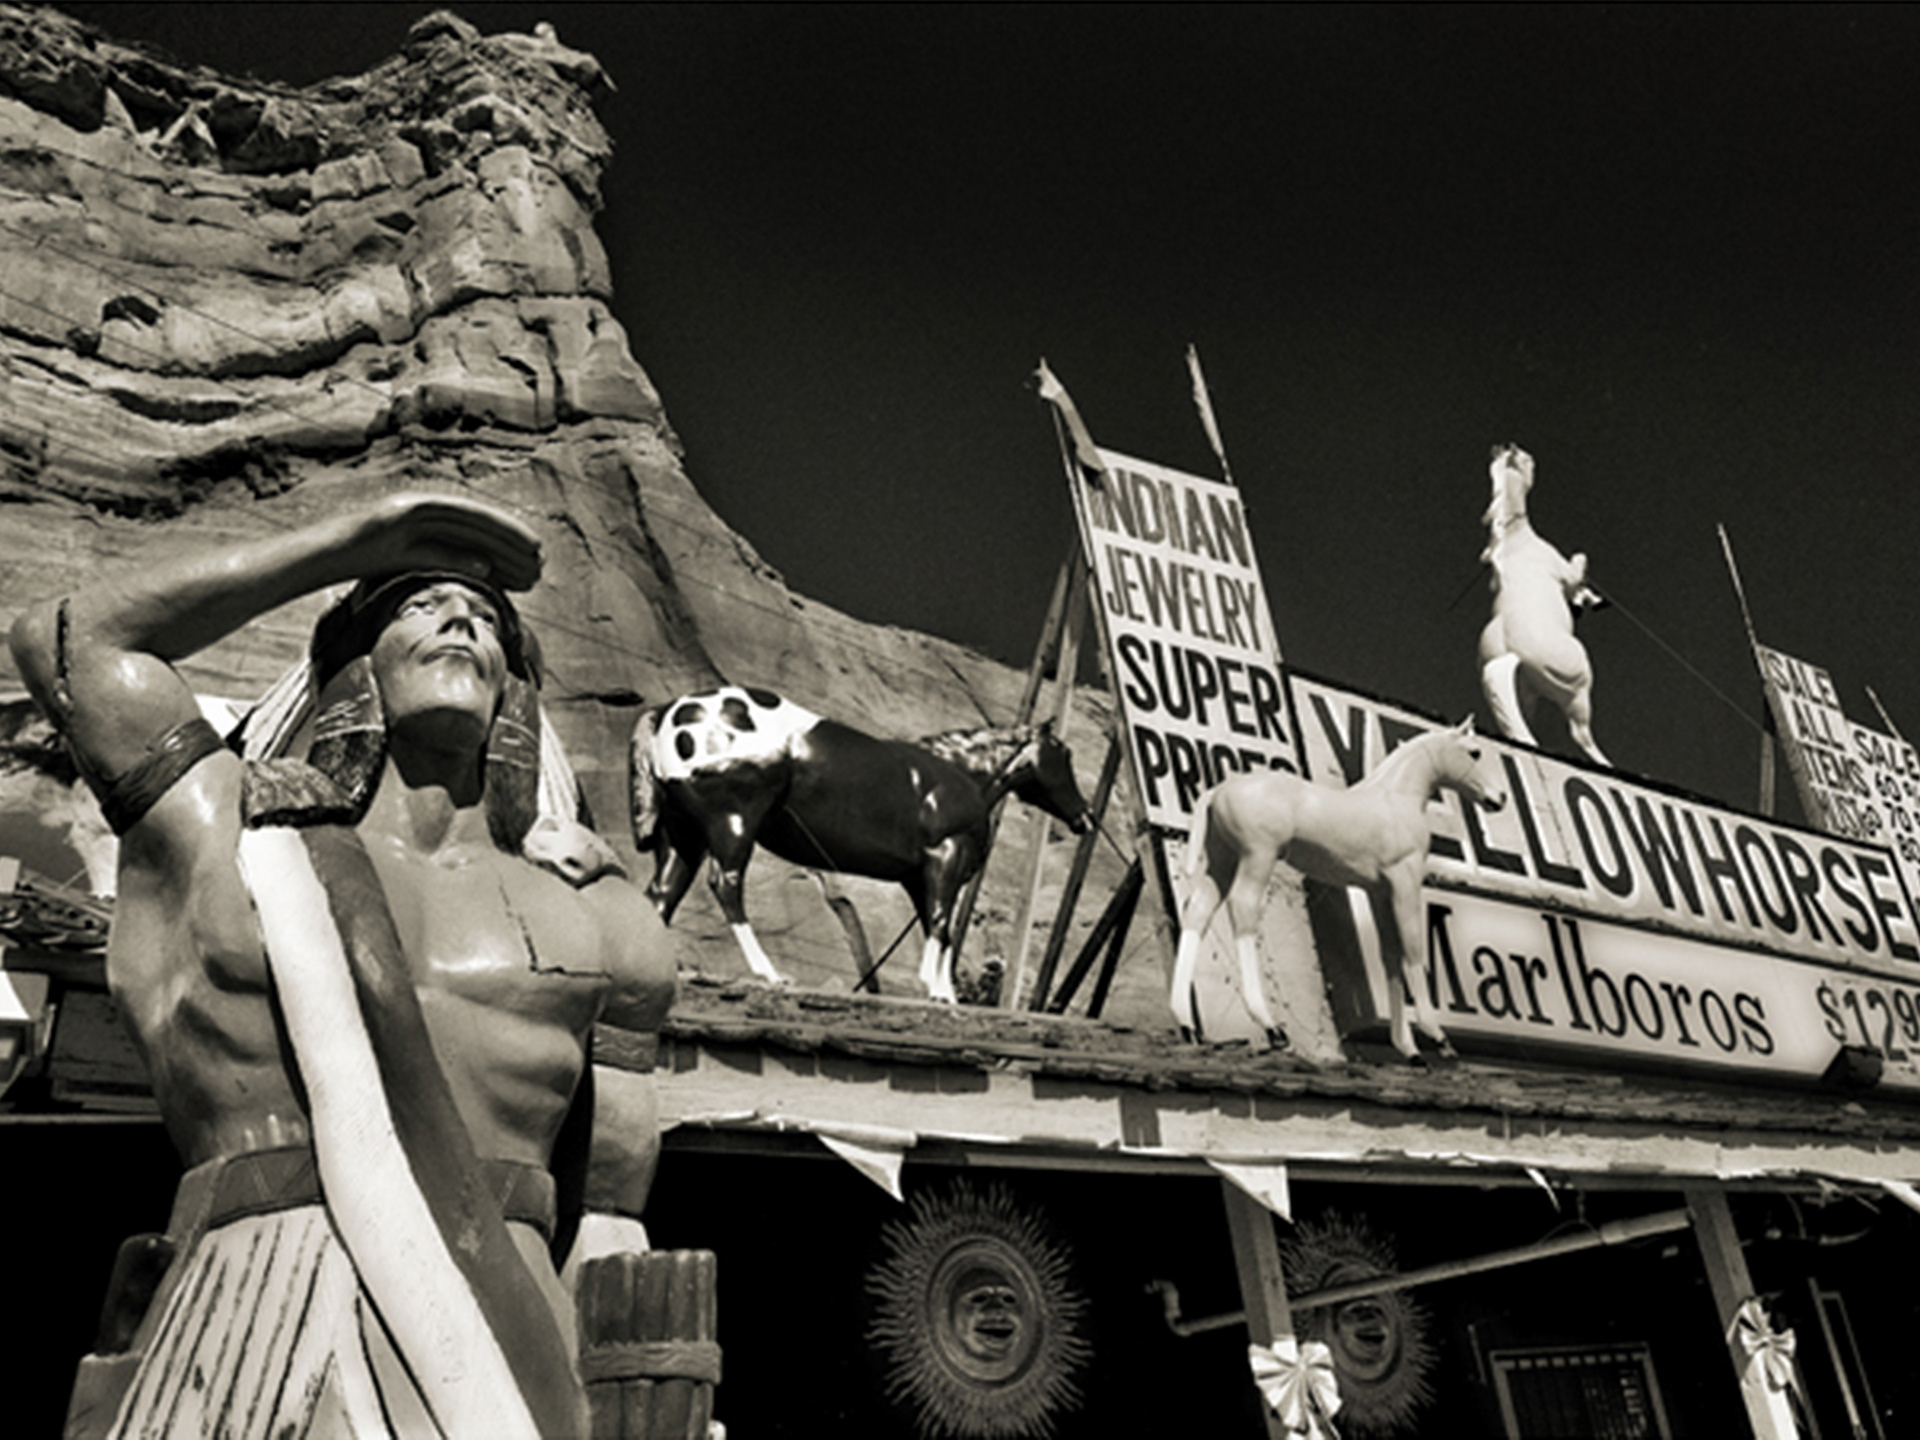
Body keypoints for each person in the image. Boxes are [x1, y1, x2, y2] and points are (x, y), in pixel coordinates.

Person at [11, 493, 675, 1439]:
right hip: (245, 1322)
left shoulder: (594, 914)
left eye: (488, 620)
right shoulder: (230, 832)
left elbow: (611, 1220)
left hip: (502, 1352)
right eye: (419, 603)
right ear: (352, 663)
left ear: (515, 690)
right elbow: (63, 645)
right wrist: (357, 543)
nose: (462, 620)